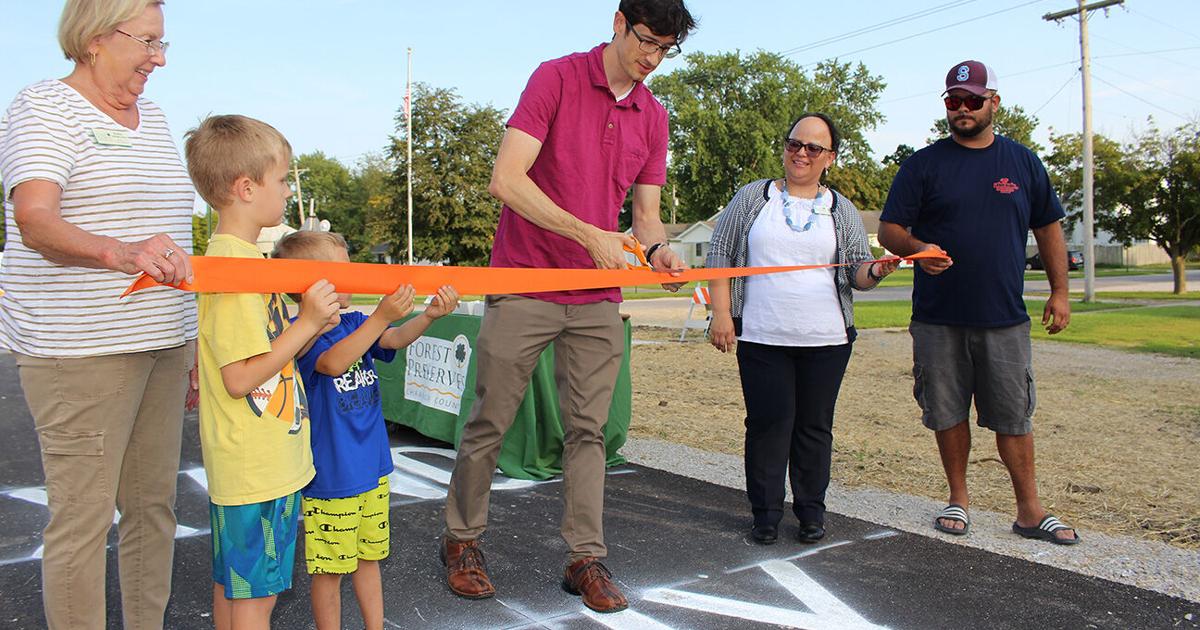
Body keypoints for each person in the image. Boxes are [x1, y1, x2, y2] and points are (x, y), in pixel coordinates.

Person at [440, 0, 696, 613]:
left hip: (596, 296)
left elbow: (647, 219)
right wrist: (589, 236)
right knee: (490, 421)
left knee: (590, 431)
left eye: (665, 50)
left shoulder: (653, 115)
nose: (651, 58)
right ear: (617, 21)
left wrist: (660, 253)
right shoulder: (554, 77)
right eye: (645, 41)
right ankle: (461, 540)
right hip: (527, 280)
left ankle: (585, 557)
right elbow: (506, 179)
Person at [0, 1, 196, 627]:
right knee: (83, 518)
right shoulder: (43, 107)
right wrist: (120, 253)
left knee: (153, 507)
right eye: (149, 42)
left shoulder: (156, 117)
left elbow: (175, 237)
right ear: (94, 38)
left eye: (164, 45)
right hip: (80, 349)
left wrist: (189, 340)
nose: (159, 59)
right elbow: (35, 220)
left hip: (162, 343)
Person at [878, 60, 1079, 545]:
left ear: (993, 102)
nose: (962, 109)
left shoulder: (1022, 162)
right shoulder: (923, 164)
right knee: (947, 412)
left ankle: (1030, 511)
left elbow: (1048, 227)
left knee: (1013, 415)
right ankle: (959, 499)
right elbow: (890, 230)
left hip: (1004, 317)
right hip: (938, 318)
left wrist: (1059, 291)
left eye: (972, 100)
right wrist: (917, 250)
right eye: (953, 101)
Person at [706, 113, 899, 546]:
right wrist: (721, 314)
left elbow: (856, 272)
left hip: (826, 340)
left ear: (829, 158)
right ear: (786, 147)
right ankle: (766, 514)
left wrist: (878, 269)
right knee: (767, 425)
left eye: (814, 148)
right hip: (762, 337)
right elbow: (720, 253)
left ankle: (811, 512)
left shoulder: (841, 209)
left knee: (814, 427)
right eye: (795, 144)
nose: (802, 154)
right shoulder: (753, 198)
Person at [185, 114, 342, 629]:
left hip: (256, 463)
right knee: (258, 599)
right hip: (257, 469)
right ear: (246, 188)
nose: (288, 189)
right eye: (282, 179)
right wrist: (308, 324)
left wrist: (309, 326)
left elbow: (262, 354)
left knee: (239, 587)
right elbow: (240, 377)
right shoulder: (236, 270)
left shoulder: (242, 260)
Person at [272, 230, 459, 630]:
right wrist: (380, 317)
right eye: (344, 271)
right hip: (332, 477)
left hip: (372, 468)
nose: (354, 278)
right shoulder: (302, 336)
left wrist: (426, 315)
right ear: (312, 286)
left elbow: (391, 338)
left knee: (369, 557)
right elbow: (333, 363)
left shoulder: (357, 320)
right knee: (328, 571)